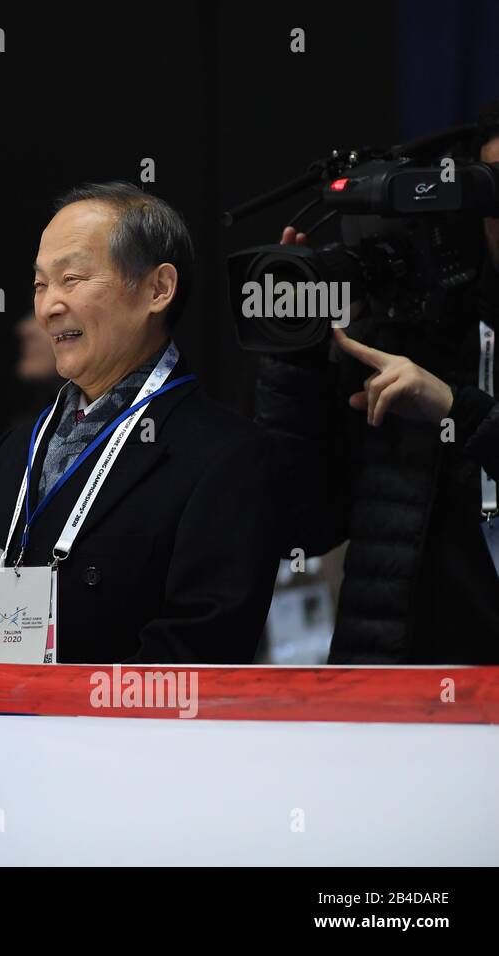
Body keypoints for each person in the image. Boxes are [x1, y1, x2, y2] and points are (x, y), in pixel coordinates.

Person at [0, 182, 280, 664]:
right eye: (41, 284)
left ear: (157, 289)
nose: (48, 307)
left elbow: (199, 654)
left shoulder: (225, 455)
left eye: (73, 278)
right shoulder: (15, 449)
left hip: (117, 738)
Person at [254, 101, 499, 664]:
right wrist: (301, 352)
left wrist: (453, 409)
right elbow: (302, 528)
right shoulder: (409, 335)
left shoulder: (426, 379)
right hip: (400, 691)